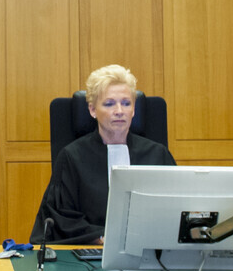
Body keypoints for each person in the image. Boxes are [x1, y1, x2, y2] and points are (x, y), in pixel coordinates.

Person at [31, 64, 175, 244]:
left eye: (126, 103)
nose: (119, 111)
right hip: (90, 250)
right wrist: (100, 238)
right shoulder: (72, 157)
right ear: (92, 110)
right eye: (109, 104)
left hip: (148, 248)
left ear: (134, 110)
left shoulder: (157, 154)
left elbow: (175, 209)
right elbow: (62, 217)